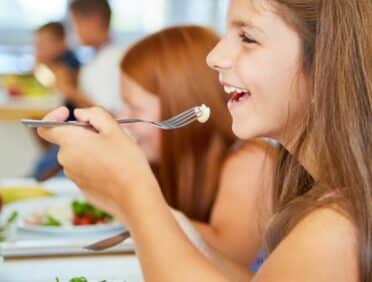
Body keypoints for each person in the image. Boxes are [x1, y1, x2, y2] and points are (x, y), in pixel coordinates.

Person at [38, 0, 371, 281]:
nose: (214, 56)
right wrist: (130, 201)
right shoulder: (319, 193)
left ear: (326, 60)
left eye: (248, 37)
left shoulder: (338, 229)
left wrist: (132, 189)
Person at [118, 25, 277, 265]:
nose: (123, 119)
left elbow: (231, 256)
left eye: (135, 108)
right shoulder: (176, 161)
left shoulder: (251, 160)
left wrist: (130, 194)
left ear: (181, 107)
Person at [54, 0, 123, 113]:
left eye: (75, 24)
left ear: (94, 21)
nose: (74, 32)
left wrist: (68, 90)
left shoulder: (110, 61)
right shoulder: (102, 56)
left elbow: (108, 115)